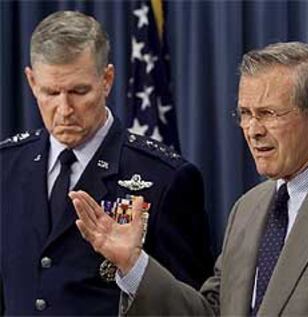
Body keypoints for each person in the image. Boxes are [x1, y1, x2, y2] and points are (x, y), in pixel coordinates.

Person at [71, 41, 308, 316]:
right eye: (245, 114)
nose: (252, 130)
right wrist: (134, 265)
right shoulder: (248, 209)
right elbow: (208, 312)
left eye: (268, 114)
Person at [0, 10, 213, 316]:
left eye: (78, 91)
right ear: (32, 82)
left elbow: (193, 308)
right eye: (50, 92)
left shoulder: (165, 178)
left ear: (107, 80)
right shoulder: (6, 166)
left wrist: (134, 267)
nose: (64, 109)